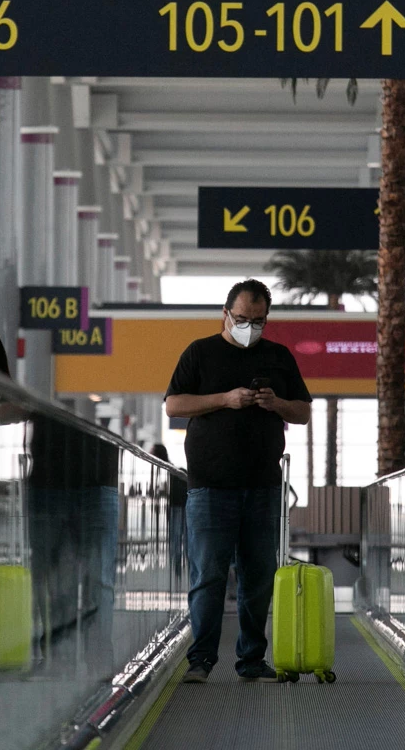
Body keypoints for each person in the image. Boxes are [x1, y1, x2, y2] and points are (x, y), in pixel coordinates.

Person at [164, 279, 312, 683]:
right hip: (210, 486)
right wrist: (225, 399)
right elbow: (173, 404)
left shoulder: (278, 357)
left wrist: (275, 403)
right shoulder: (200, 352)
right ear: (226, 314)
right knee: (209, 575)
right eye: (243, 319)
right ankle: (201, 659)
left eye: (259, 321)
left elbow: (303, 411)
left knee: (258, 576)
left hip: (263, 486)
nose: (250, 327)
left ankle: (251, 659)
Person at [151, 443, 187, 580]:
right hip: (181, 506)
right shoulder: (173, 470)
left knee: (176, 540)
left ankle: (177, 570)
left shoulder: (165, 472)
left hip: (176, 507)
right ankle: (180, 570)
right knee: (183, 540)